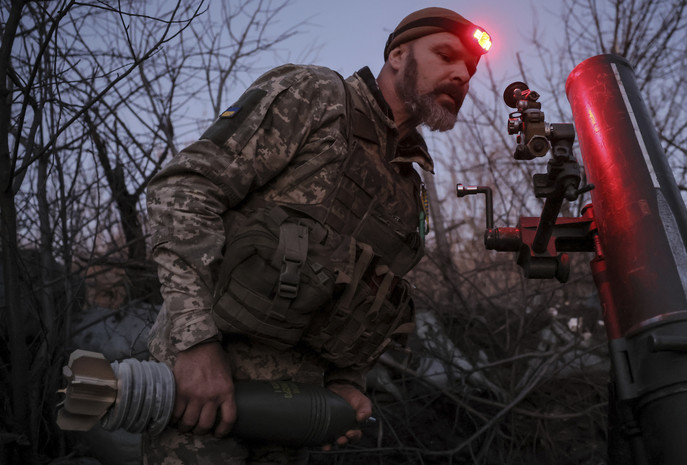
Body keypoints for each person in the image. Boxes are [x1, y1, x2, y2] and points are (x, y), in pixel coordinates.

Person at [143, 7, 491, 464]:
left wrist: (348, 382)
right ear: (398, 55)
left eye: (470, 69)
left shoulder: (411, 188)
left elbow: (369, 294)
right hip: (202, 396)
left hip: (293, 418)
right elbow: (185, 189)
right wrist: (195, 344)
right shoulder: (318, 97)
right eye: (446, 55)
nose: (461, 74)